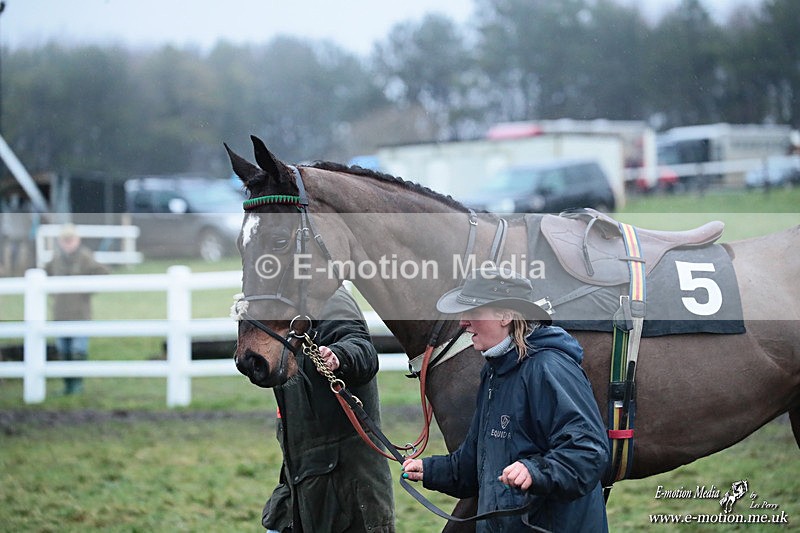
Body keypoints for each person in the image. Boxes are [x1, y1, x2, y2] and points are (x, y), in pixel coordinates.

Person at [402, 266, 610, 532]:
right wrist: (429, 469)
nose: (463, 323)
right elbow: (471, 467)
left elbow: (589, 452)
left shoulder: (549, 368)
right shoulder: (494, 372)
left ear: (505, 316)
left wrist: (535, 471)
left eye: (473, 312)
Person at [262, 284, 395, 533]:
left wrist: (339, 355)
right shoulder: (291, 306)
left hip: (347, 493)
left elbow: (363, 349)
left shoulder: (332, 299)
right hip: (297, 489)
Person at [44, 223, 109, 394]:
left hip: (80, 313)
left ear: (77, 240)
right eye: (64, 240)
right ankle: (68, 386)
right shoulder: (56, 260)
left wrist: (87, 289)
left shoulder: (85, 257)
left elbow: (102, 274)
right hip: (60, 314)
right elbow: (44, 275)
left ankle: (77, 386)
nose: (68, 243)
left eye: (70, 240)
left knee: (78, 350)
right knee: (64, 350)